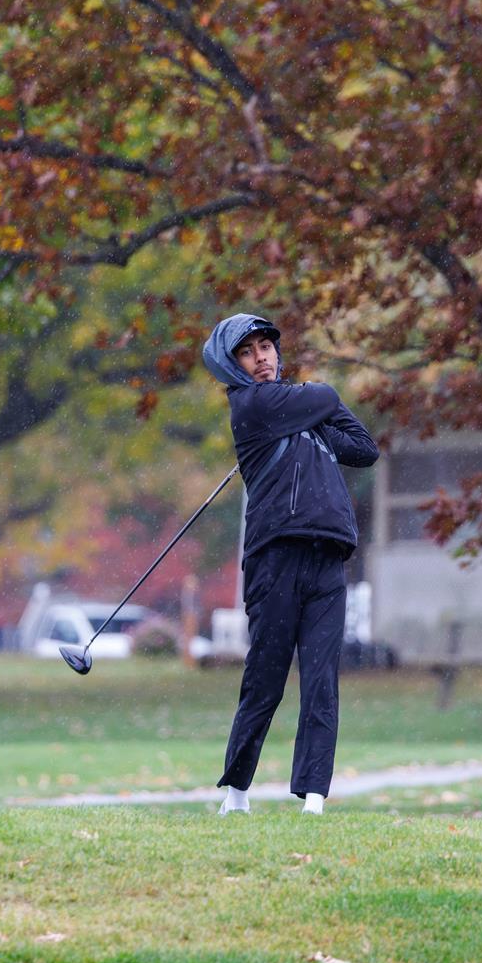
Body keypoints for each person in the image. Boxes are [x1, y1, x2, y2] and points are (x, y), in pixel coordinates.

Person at [203, 313, 379, 815]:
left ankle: (314, 800)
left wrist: (314, 411)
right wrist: (316, 403)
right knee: (266, 678)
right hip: (274, 560)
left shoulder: (298, 415)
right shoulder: (251, 406)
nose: (261, 358)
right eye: (247, 352)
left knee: (321, 681)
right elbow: (325, 396)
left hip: (327, 558)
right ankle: (237, 795)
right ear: (231, 365)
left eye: (266, 347)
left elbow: (364, 448)